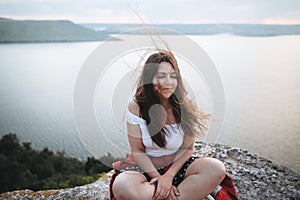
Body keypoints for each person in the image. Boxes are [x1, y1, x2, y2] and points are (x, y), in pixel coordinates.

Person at [110, 50, 228, 200]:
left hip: (175, 165)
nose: (168, 82)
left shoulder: (187, 107)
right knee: (123, 187)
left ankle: (167, 195)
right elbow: (137, 150)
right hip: (144, 166)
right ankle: (177, 194)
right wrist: (158, 178)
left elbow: (187, 148)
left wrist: (169, 176)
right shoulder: (136, 107)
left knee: (216, 169)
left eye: (173, 76)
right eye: (161, 76)